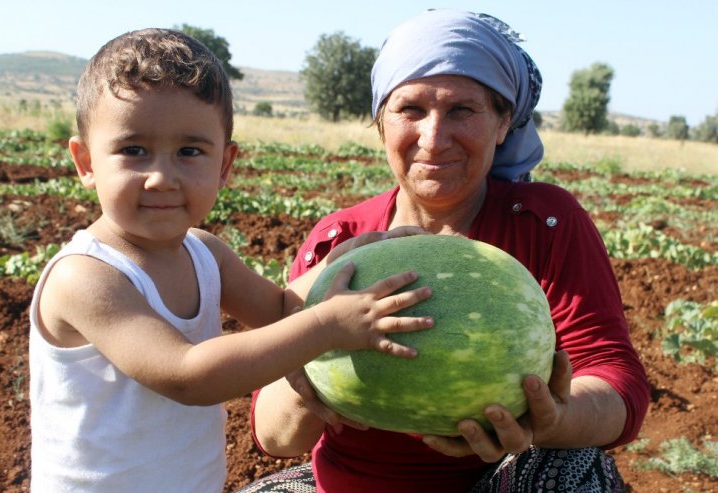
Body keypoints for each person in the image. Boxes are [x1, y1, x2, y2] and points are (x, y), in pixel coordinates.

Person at [245, 9, 650, 493]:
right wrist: (308, 371)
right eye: (411, 109)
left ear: (503, 122)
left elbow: (618, 381)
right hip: (346, 485)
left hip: (500, 482)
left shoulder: (545, 221)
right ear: (381, 124)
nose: (434, 139)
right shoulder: (338, 239)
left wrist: (552, 419)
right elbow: (272, 434)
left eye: (462, 110)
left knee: (573, 473)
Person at [28, 28, 436, 493]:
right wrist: (329, 325)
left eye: (189, 152)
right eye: (133, 150)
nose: (162, 177)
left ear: (224, 165)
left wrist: (347, 258)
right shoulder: (85, 277)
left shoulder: (205, 253)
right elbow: (187, 375)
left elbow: (282, 308)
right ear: (85, 162)